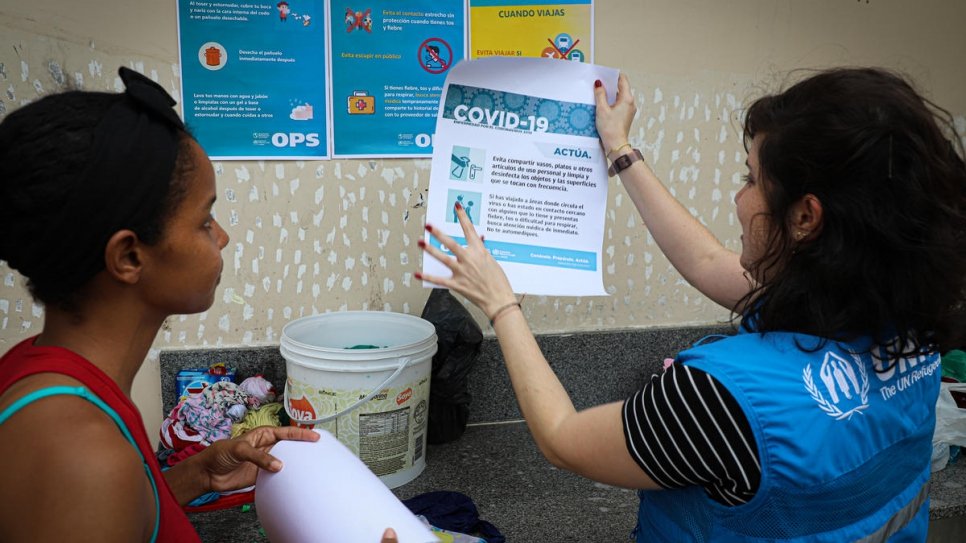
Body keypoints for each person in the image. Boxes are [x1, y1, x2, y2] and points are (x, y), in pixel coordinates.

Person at [417, 67, 966, 541]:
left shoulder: (717, 400)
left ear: (805, 217)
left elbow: (562, 440)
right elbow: (707, 261)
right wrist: (619, 150)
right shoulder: (907, 325)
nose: (738, 196)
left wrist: (501, 303)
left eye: (751, 178)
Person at [0, 67, 397, 543]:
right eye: (204, 219)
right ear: (129, 256)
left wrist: (196, 477)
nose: (223, 236)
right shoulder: (80, 456)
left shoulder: (40, 371)